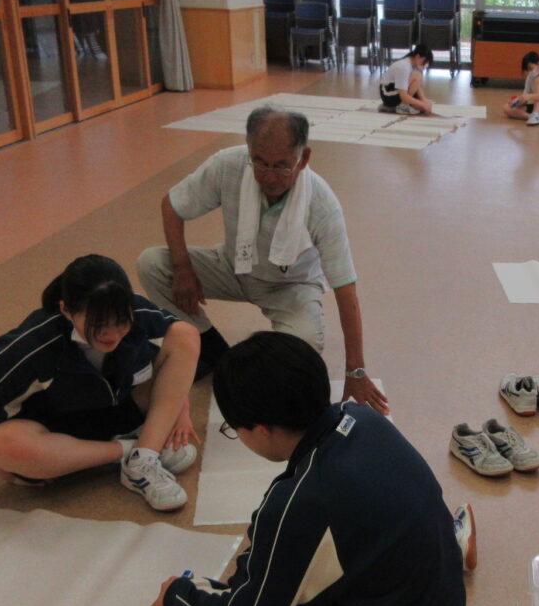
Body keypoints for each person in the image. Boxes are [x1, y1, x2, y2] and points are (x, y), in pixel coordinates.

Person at [144, 331, 467, 606]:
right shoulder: (361, 417)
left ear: (261, 429)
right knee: (272, 560)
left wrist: (183, 592)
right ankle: (457, 541)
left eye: (234, 428)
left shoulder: (301, 503)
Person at [137, 106, 389, 415]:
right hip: (234, 264)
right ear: (248, 149)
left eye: (282, 165)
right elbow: (172, 205)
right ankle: (209, 348)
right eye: (260, 162)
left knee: (303, 346)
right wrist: (182, 269)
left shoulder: (322, 204)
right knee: (152, 264)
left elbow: (345, 287)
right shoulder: (228, 165)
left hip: (291, 285)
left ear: (303, 158)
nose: (269, 177)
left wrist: (356, 370)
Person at [0, 255, 200, 512]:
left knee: (184, 334)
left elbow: (175, 362)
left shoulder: (139, 313)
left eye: (121, 322)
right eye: (99, 325)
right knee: (3, 446)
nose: (112, 334)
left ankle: (145, 454)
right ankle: (133, 451)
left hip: (122, 405)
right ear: (66, 310)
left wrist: (181, 410)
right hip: (59, 432)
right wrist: (2, 469)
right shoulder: (31, 346)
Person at [379, 44, 434, 115]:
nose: (424, 66)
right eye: (424, 62)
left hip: (397, 91)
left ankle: (395, 106)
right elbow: (403, 96)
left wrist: (424, 100)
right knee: (417, 76)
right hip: (388, 94)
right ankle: (401, 106)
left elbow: (417, 86)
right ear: (418, 57)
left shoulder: (413, 65)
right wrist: (422, 104)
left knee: (421, 108)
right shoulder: (403, 67)